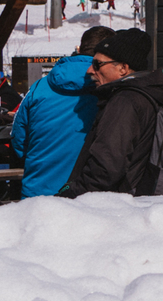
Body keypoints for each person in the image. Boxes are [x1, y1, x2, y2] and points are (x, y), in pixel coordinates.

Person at [58, 29, 163, 197]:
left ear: (122, 68)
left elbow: (104, 171)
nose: (89, 70)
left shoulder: (125, 102)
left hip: (108, 204)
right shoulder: (142, 95)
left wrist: (67, 198)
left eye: (97, 64)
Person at [11, 26, 113, 198]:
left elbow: (19, 141)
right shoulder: (110, 88)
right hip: (90, 196)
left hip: (38, 194)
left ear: (80, 48)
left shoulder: (39, 87)